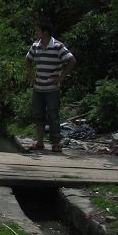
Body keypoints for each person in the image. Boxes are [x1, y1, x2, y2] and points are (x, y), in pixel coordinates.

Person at [25, 19, 76, 153]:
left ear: (45, 32)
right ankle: (40, 142)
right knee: (38, 115)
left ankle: (56, 143)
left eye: (38, 30)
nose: (36, 33)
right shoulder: (35, 46)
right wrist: (31, 76)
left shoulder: (58, 46)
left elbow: (71, 61)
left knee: (53, 115)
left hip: (52, 88)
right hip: (38, 87)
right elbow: (28, 60)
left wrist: (61, 77)